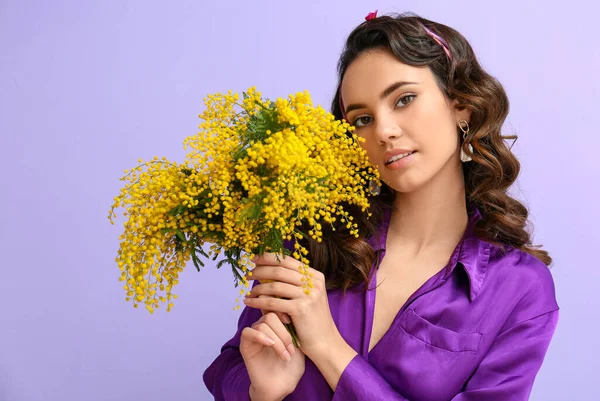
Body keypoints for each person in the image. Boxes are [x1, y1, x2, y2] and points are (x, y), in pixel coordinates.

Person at [203, 11, 559, 401]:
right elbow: (230, 366)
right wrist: (260, 393)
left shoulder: (520, 288)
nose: (384, 131)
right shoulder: (310, 243)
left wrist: (328, 347)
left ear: (461, 105)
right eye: (362, 119)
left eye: (404, 99)